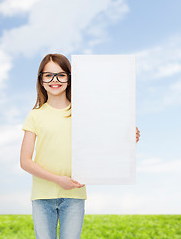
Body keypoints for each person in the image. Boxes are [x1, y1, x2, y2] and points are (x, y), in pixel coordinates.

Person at [20, 53, 141, 239]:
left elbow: (103, 139)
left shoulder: (84, 113)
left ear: (69, 78)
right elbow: (25, 161)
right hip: (43, 195)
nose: (55, 80)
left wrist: (126, 138)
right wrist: (58, 179)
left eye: (61, 74)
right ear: (41, 80)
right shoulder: (35, 115)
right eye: (48, 75)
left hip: (75, 194)